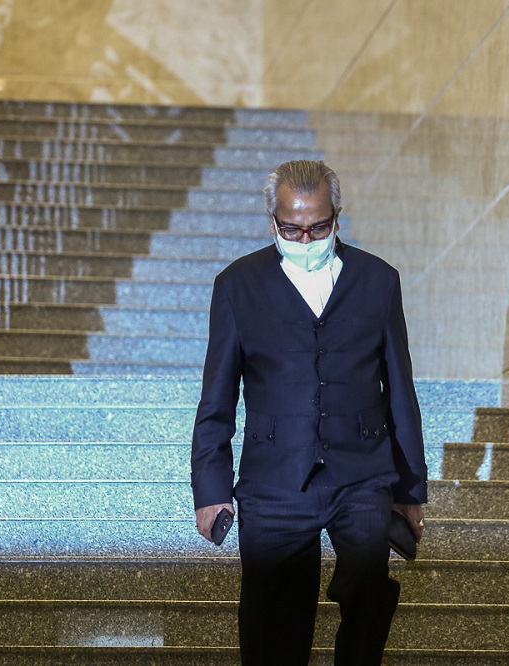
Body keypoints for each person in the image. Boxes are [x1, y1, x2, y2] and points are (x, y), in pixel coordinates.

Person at [191, 160, 427, 665]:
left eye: (318, 228)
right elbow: (216, 398)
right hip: (273, 481)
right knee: (273, 626)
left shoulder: (379, 281)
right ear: (271, 222)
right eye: (292, 229)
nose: (305, 239)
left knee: (368, 588)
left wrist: (410, 490)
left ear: (337, 218)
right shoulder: (236, 286)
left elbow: (400, 390)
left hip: (362, 472)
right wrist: (211, 490)